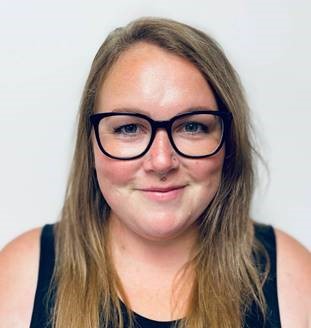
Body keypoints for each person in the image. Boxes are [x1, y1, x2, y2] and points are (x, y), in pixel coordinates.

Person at [0, 17, 310, 328]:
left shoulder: (292, 278)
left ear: (227, 142)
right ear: (91, 144)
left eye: (192, 127)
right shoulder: (19, 276)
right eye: (129, 128)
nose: (162, 161)